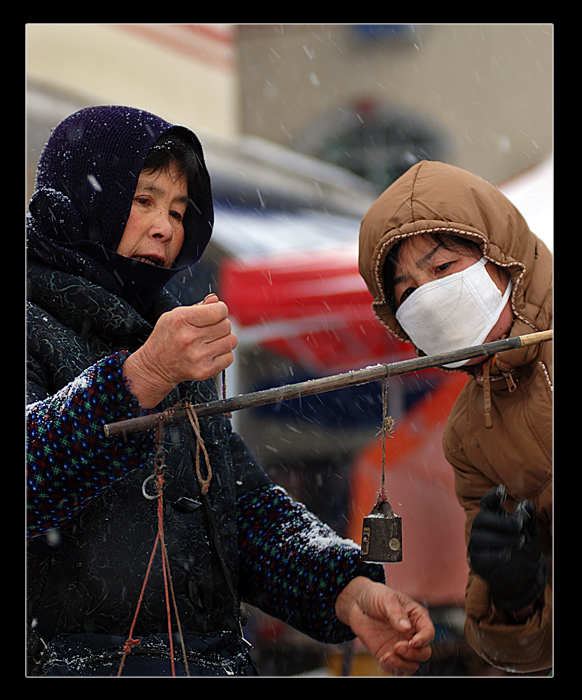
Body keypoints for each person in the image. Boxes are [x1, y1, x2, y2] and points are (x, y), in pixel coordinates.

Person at [26, 105, 434, 677]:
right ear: (77, 200)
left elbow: (240, 512)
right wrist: (137, 380)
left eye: (177, 209)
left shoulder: (170, 337)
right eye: (143, 200)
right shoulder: (36, 322)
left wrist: (346, 591)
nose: (166, 227)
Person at [358, 160, 552, 674]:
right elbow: (519, 651)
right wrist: (514, 593)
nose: (429, 297)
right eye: (407, 291)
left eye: (442, 269)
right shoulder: (468, 435)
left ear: (500, 252)